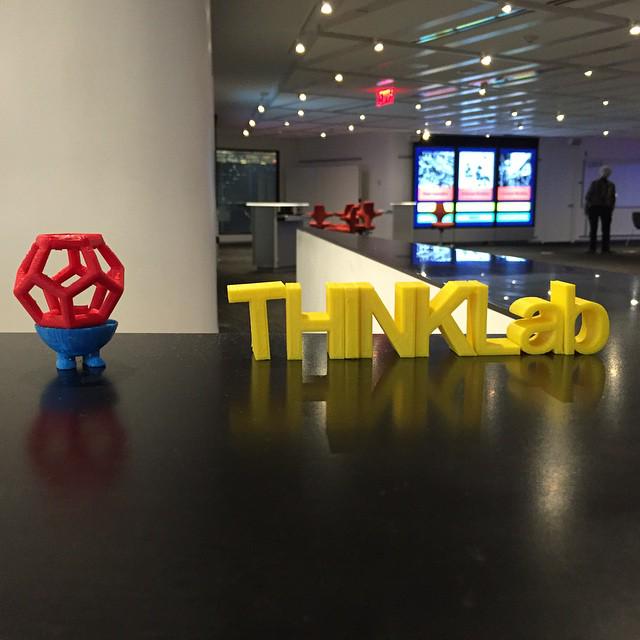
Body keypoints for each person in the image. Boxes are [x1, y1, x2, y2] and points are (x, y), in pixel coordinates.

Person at [585, 165, 616, 253]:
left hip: (606, 208)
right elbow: (588, 196)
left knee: (606, 229)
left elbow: (613, 198)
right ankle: (592, 248)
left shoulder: (611, 185)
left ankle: (605, 248)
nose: (606, 173)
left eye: (608, 172)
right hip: (594, 207)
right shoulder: (594, 183)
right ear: (601, 173)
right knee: (593, 229)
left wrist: (611, 207)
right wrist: (590, 206)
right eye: (604, 171)